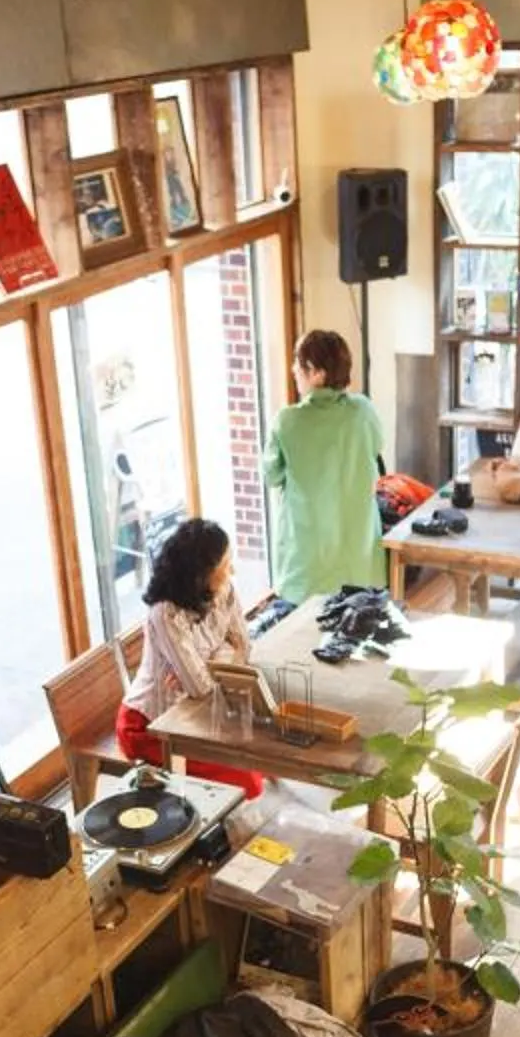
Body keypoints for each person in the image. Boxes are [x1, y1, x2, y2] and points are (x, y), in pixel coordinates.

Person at [115, 518, 267, 799]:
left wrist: (210, 661)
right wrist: (221, 657)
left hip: (200, 713)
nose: (231, 571)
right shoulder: (166, 614)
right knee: (249, 778)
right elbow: (201, 688)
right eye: (224, 566)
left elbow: (244, 648)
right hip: (151, 725)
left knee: (266, 749)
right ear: (201, 574)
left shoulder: (224, 591)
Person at [261, 329, 386, 606]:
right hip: (360, 559)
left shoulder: (287, 421)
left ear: (317, 373)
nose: (294, 369)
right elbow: (377, 446)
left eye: (299, 363)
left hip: (308, 562)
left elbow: (271, 475)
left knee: (301, 641)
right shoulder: (363, 411)